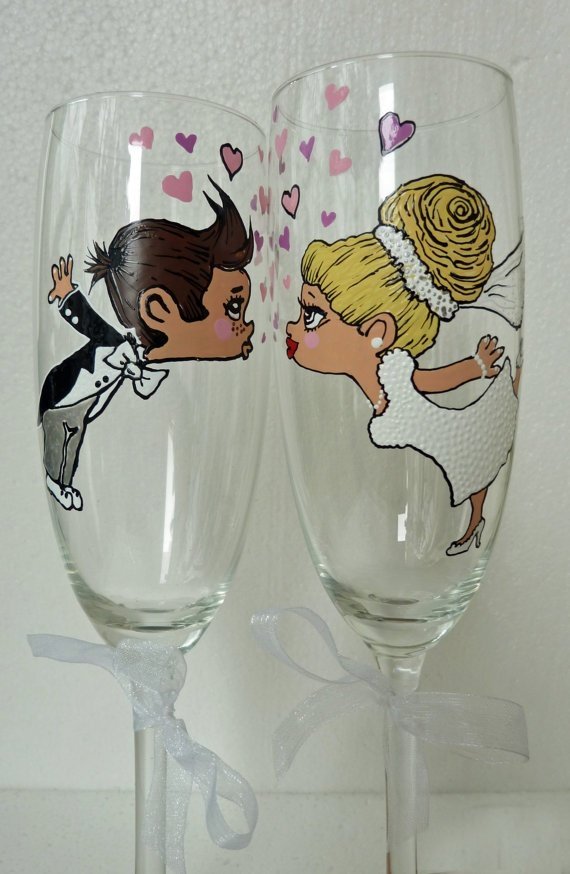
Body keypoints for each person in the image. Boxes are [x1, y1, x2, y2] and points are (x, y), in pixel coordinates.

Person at [285, 174, 522, 556]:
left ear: (377, 333)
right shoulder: (385, 374)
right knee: (472, 475)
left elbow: (430, 380)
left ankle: (473, 522)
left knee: (475, 470)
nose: (293, 327)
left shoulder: (394, 372)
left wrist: (476, 366)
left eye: (312, 315)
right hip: (429, 460)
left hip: (447, 441)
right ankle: (473, 521)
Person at [39, 180, 254, 511]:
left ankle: (61, 483)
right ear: (159, 310)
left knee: (74, 438)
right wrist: (67, 294)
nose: (247, 326)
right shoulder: (113, 341)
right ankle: (59, 485)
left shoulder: (146, 365)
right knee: (62, 441)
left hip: (83, 409)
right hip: (61, 399)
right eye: (234, 308)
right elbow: (87, 321)